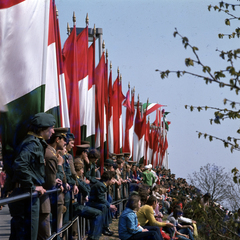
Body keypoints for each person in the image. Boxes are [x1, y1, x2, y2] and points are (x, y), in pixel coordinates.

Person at [8, 112, 56, 240]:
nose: (53, 131)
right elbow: (19, 165)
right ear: (41, 129)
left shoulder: (35, 143)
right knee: (28, 235)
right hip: (26, 196)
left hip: (27, 195)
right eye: (50, 127)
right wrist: (32, 186)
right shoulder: (32, 144)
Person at [38, 127, 68, 240]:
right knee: (48, 233)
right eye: (63, 140)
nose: (65, 143)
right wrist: (60, 165)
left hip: (51, 198)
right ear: (57, 140)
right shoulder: (51, 155)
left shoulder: (52, 153)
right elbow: (53, 181)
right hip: (48, 198)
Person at [86, 171, 117, 236]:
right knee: (105, 206)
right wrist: (109, 205)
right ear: (108, 179)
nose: (113, 181)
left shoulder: (103, 184)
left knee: (106, 206)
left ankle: (106, 227)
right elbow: (100, 198)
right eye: (112, 179)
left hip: (94, 202)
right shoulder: (101, 185)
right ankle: (104, 228)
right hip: (91, 203)